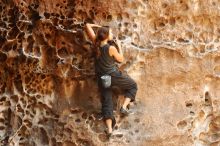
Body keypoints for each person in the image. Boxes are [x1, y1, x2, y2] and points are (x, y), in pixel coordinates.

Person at [85, 23, 138, 137]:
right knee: (133, 85)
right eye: (110, 33)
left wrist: (99, 27)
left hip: (102, 78)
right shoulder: (111, 48)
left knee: (107, 101)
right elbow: (121, 59)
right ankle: (123, 107)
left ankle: (109, 129)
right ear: (107, 36)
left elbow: (87, 25)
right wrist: (119, 46)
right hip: (113, 76)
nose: (112, 34)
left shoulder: (95, 42)